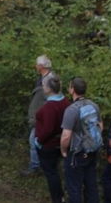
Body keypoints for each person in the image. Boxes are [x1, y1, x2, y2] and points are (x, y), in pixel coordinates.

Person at [61, 77, 103, 203]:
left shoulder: (71, 110)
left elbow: (66, 135)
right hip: (92, 151)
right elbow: (100, 126)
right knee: (91, 185)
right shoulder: (94, 105)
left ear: (72, 90)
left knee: (74, 188)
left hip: (76, 153)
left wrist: (63, 150)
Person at [34, 75, 70, 203]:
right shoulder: (65, 101)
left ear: (49, 89)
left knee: (51, 173)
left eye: (43, 85)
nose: (42, 87)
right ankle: (61, 195)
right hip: (61, 142)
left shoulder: (50, 107)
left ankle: (57, 199)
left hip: (49, 144)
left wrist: (39, 140)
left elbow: (48, 129)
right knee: (56, 170)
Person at [21, 55, 55, 176]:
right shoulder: (42, 78)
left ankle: (36, 166)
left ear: (41, 66)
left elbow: (50, 101)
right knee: (37, 141)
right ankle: (41, 165)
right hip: (39, 117)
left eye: (37, 64)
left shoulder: (49, 80)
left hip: (42, 118)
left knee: (34, 140)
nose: (35, 66)